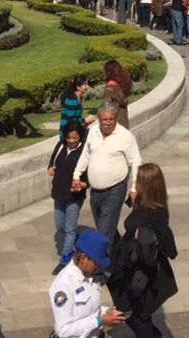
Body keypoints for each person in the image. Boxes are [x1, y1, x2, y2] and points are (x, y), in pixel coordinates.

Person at [108, 163, 178, 338]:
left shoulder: (157, 214)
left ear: (147, 184)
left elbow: (171, 250)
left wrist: (146, 237)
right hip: (128, 266)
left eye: (138, 180)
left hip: (143, 274)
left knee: (139, 317)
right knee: (132, 313)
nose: (135, 182)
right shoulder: (140, 202)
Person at [72, 103, 142, 242]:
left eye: (112, 119)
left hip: (114, 191)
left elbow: (136, 162)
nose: (109, 123)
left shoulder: (125, 136)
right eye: (105, 119)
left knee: (103, 236)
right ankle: (118, 257)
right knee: (105, 230)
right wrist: (76, 175)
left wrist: (134, 188)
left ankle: (102, 263)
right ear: (99, 119)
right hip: (95, 193)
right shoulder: (93, 131)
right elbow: (86, 154)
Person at [49, 229, 126, 337]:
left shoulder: (88, 274)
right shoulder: (63, 284)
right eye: (96, 263)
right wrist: (99, 321)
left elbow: (87, 309)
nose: (98, 267)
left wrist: (106, 311)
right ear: (83, 258)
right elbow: (64, 330)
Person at [49, 120, 88, 268]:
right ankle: (74, 240)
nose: (71, 141)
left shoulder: (85, 151)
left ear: (80, 137)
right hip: (59, 193)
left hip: (74, 197)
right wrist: (50, 169)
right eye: (69, 137)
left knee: (70, 228)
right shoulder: (60, 146)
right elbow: (52, 162)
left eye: (74, 138)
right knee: (60, 226)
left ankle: (65, 259)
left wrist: (82, 185)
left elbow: (89, 178)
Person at [102, 60, 134, 130]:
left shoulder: (110, 88)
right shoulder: (123, 84)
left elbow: (106, 107)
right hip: (124, 123)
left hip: (113, 125)